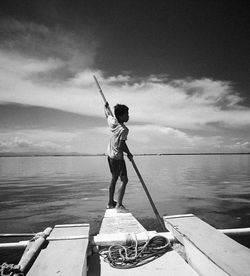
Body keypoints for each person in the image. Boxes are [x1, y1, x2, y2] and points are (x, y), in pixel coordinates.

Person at [104, 102, 133, 212]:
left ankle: (110, 202)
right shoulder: (124, 129)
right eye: (127, 114)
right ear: (121, 116)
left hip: (110, 156)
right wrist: (129, 153)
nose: (128, 116)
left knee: (114, 178)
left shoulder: (112, 122)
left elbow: (107, 114)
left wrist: (105, 107)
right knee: (124, 180)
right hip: (118, 158)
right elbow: (121, 145)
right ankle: (119, 205)